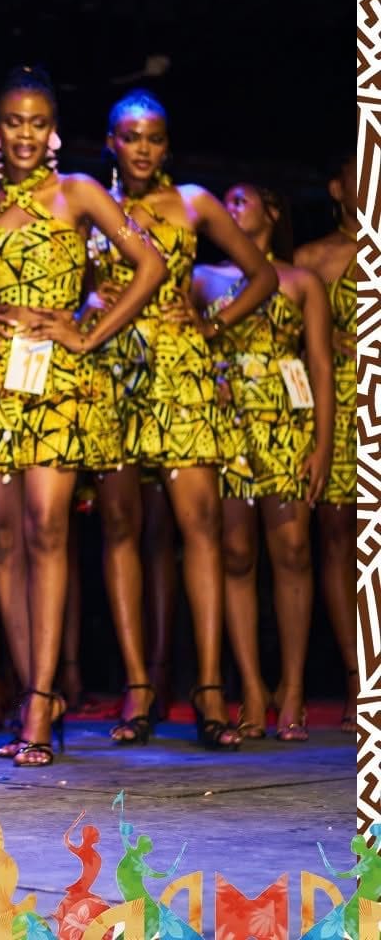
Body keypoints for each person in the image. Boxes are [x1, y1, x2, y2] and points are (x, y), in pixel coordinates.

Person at [0, 67, 167, 765]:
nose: (25, 134)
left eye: (38, 122)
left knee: (47, 528)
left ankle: (43, 701)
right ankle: (33, 697)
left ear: (53, 132)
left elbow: (149, 265)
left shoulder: (78, 192)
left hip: (58, 376)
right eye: (14, 122)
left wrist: (90, 332)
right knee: (0, 540)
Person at [87, 89, 277, 749]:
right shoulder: (92, 204)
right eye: (130, 137)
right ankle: (138, 687)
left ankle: (209, 689)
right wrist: (85, 302)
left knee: (200, 531)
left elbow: (261, 277)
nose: (143, 149)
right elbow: (68, 282)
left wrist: (210, 322)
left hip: (181, 373)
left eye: (154, 138)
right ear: (112, 143)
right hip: (112, 371)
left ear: (166, 146)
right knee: (119, 527)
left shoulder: (193, 202)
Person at [193, 184, 333, 741]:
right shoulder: (202, 278)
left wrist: (323, 444)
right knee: (234, 553)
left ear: (272, 211)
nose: (229, 208)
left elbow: (319, 364)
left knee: (294, 551)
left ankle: (293, 687)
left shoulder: (301, 281)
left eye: (240, 199)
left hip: (285, 421)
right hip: (225, 423)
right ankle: (250, 687)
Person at [294, 152, 359, 733]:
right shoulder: (313, 258)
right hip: (339, 400)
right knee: (339, 536)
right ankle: (357, 675)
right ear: (338, 188)